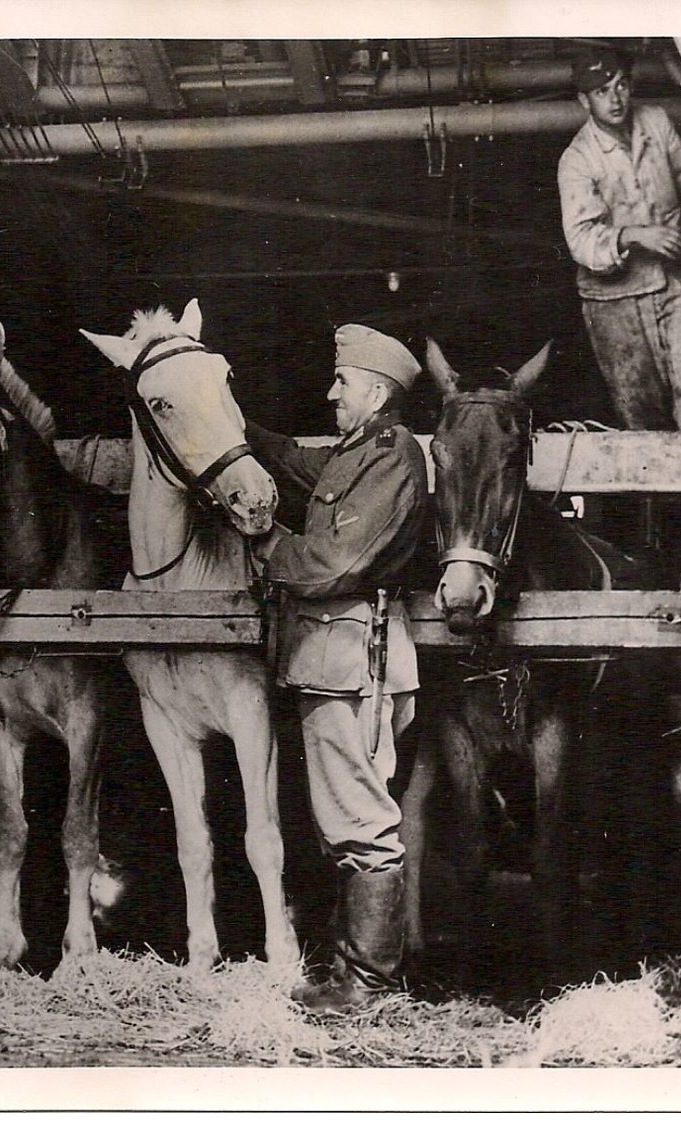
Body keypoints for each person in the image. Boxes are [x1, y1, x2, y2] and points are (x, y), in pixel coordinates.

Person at [247, 324, 429, 1012]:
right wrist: (235, 429)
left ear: (376, 392)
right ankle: (356, 971)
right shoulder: (361, 451)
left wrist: (266, 539)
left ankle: (368, 984)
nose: (330, 394)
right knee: (350, 813)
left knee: (359, 818)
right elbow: (303, 466)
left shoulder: (391, 455)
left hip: (349, 656)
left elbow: (334, 563)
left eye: (341, 383)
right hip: (339, 654)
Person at [558, 45, 681, 431]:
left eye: (622, 85)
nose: (615, 98)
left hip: (676, 283)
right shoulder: (577, 160)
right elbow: (581, 239)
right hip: (615, 304)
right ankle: (658, 495)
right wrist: (634, 235)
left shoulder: (655, 123)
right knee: (642, 416)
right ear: (584, 101)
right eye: (602, 91)